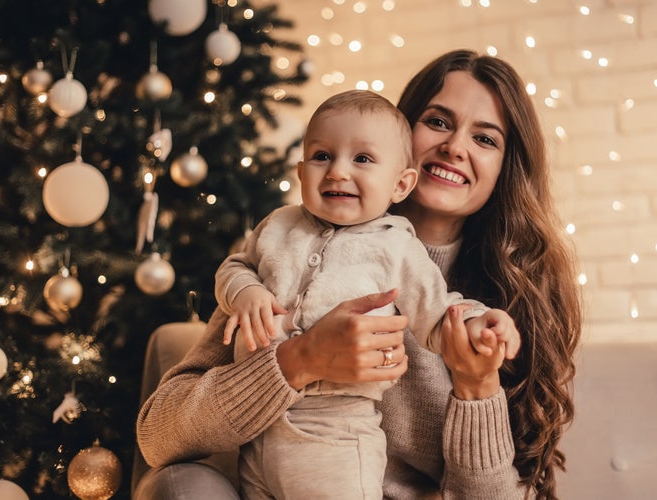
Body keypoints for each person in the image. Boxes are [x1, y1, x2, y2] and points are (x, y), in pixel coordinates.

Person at [136, 49, 582, 500]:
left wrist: (476, 383)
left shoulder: (509, 301)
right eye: (439, 122)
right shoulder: (288, 248)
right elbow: (158, 436)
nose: (455, 147)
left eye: (485, 139)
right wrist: (299, 360)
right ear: (401, 134)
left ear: (507, 167)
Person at [214, 89, 518, 499]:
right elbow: (235, 266)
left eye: (362, 159)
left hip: (335, 434)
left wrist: (477, 325)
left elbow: (439, 311)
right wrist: (245, 291)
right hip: (258, 432)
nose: (338, 171)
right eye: (322, 156)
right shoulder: (278, 225)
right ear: (300, 172)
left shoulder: (396, 247)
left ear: (400, 184)